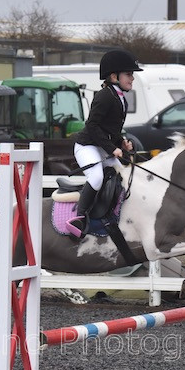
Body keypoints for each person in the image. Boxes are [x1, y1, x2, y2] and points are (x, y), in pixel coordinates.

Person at [65, 49, 142, 240]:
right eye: (129, 74)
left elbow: (111, 128)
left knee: (123, 176)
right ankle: (79, 218)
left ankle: (113, 215)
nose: (132, 78)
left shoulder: (119, 97)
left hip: (102, 147)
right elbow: (92, 126)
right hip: (87, 146)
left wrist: (122, 143)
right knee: (97, 177)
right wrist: (112, 148)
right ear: (114, 76)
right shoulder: (104, 96)